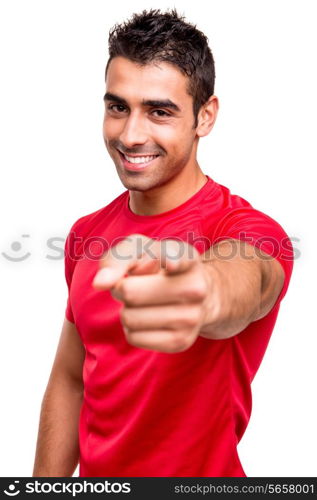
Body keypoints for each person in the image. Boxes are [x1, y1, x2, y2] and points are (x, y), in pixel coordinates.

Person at [32, 8, 294, 477]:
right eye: (118, 107)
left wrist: (202, 291)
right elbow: (72, 380)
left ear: (205, 116)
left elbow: (250, 282)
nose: (131, 135)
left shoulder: (245, 229)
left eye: (159, 111)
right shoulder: (85, 234)